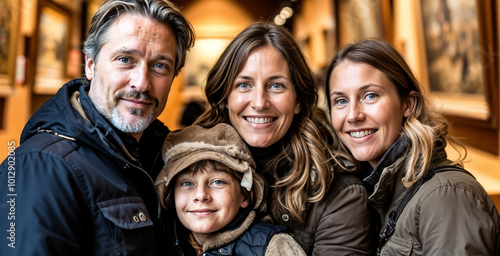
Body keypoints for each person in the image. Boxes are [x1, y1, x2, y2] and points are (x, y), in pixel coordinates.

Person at [0, 0, 195, 255]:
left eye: (160, 66)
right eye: (125, 60)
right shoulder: (42, 166)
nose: (142, 83)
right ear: (90, 65)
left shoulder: (161, 154)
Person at [195, 22, 373, 255]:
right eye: (244, 85)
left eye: (276, 85)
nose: (259, 102)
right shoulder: (185, 169)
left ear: (298, 100)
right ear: (225, 97)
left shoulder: (340, 194)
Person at [324, 39, 500, 255]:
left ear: (408, 104)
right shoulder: (370, 190)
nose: (353, 115)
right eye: (340, 101)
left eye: (370, 96)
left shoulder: (446, 196)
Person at [155, 123, 306, 256]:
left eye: (218, 182)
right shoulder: (160, 243)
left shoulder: (272, 247)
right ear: (171, 195)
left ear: (244, 196)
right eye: (187, 183)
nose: (201, 195)